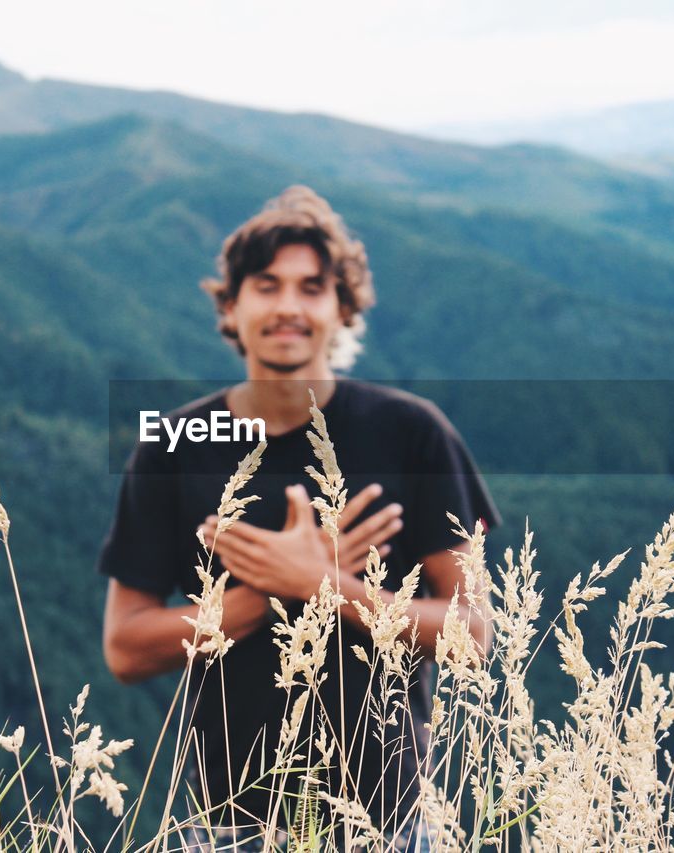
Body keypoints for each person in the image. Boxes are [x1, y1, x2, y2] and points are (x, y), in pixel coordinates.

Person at [97, 186, 501, 849]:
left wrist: (326, 585)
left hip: (388, 821)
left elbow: (473, 634)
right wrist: (270, 589)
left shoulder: (415, 434)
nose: (288, 305)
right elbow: (125, 646)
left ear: (343, 308)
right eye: (266, 285)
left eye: (312, 287)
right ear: (231, 305)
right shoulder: (171, 445)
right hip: (229, 823)